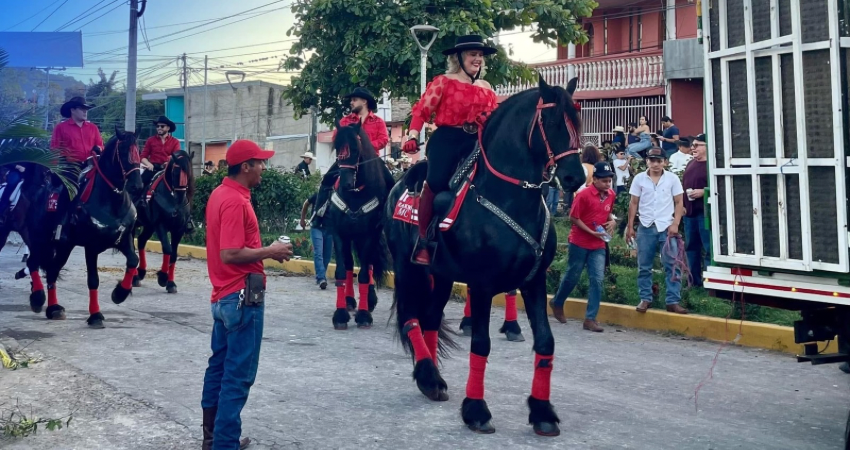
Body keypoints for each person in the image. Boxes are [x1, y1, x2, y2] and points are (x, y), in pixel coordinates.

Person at [201, 139, 294, 450]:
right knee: (237, 377)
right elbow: (230, 253)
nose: (263, 168)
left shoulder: (220, 194)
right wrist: (272, 251)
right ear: (246, 167)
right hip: (241, 296)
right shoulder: (235, 201)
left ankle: (213, 438)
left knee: (218, 368)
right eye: (259, 162)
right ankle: (224, 444)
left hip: (224, 297)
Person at [401, 34, 498, 265]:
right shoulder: (443, 81)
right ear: (459, 57)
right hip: (447, 139)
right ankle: (424, 240)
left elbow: (495, 118)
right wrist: (413, 135)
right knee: (436, 182)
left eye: (480, 55)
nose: (478, 59)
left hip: (477, 141)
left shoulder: (487, 87)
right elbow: (421, 111)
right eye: (473, 54)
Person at [549, 162, 617, 332]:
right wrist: (591, 232)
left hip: (598, 244)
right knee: (573, 275)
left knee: (597, 279)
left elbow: (607, 211)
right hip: (579, 242)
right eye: (604, 181)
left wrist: (613, 220)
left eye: (609, 181)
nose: (607, 184)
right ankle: (557, 301)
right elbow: (573, 218)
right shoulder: (584, 195)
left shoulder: (611, 195)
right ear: (594, 179)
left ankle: (590, 318)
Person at [626, 147, 688, 315]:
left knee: (673, 265)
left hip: (666, 227)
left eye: (659, 161)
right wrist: (630, 226)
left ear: (664, 162)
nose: (655, 164)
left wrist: (675, 224)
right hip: (645, 227)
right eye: (652, 160)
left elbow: (679, 202)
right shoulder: (639, 179)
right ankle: (645, 298)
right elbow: (633, 203)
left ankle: (672, 301)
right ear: (647, 161)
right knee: (644, 266)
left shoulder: (672, 179)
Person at [50, 97, 104, 241]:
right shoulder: (61, 128)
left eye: (86, 109)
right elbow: (55, 149)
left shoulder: (92, 127)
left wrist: (98, 149)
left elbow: (100, 145)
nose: (85, 112)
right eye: (82, 109)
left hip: (90, 165)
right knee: (69, 191)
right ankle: (61, 224)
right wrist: (56, 168)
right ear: (72, 110)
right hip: (70, 166)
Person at [682, 134, 711, 287]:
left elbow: (719, 187)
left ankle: (709, 282)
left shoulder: (712, 166)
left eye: (697, 145)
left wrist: (703, 191)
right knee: (691, 248)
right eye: (692, 145)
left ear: (707, 146)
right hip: (689, 214)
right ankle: (693, 281)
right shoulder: (690, 164)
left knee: (708, 248)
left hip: (705, 214)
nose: (693, 148)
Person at [300, 184, 334, 289]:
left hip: (330, 229)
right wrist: (302, 219)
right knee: (318, 253)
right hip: (317, 227)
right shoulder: (317, 195)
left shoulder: (335, 198)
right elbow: (306, 204)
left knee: (327, 255)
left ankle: (321, 275)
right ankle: (321, 278)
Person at [140, 115, 181, 186]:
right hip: (153, 169)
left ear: (168, 128)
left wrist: (169, 162)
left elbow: (176, 157)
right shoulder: (150, 140)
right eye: (157, 126)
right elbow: (143, 157)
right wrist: (148, 164)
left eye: (162, 126)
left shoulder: (175, 142)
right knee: (140, 184)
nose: (159, 128)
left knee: (180, 184)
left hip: (168, 169)